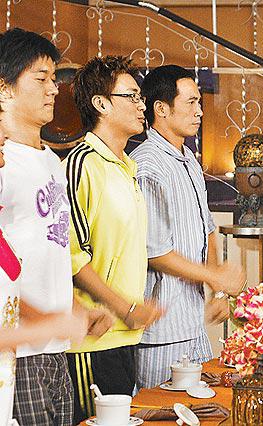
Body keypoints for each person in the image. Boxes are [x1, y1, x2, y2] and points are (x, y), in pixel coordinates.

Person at [0, 28, 96, 425]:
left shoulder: (53, 162)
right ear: (4, 89)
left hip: (56, 345)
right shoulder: (5, 162)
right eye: (41, 78)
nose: (54, 89)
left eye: (54, 78)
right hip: (19, 348)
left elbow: (50, 247)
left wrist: (73, 308)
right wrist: (40, 319)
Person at [130, 65, 246, 389]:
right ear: (161, 109)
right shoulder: (148, 164)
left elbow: (207, 229)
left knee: (207, 406)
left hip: (193, 324)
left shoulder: (189, 159)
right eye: (191, 102)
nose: (199, 111)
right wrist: (215, 276)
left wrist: (217, 289)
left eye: (199, 102)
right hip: (161, 329)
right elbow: (155, 252)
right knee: (161, 411)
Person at [64, 55, 163, 424]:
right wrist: (125, 308)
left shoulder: (126, 165)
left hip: (125, 337)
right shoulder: (82, 164)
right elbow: (72, 259)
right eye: (131, 96)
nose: (141, 105)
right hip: (93, 340)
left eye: (140, 97)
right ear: (101, 104)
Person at [0, 121, 87, 424]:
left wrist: (68, 310)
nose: (4, 161)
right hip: (22, 356)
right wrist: (44, 325)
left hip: (29, 359)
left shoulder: (51, 162)